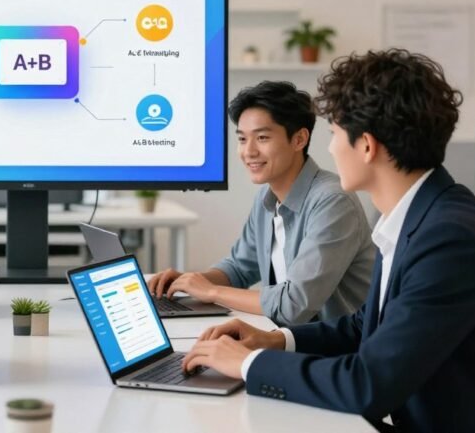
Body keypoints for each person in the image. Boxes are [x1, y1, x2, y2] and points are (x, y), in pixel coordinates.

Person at [183, 49, 475, 432]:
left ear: (367, 146)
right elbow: (364, 325)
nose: (330, 148)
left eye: (336, 134)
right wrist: (276, 342)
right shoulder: (421, 214)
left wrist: (246, 364)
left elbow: (367, 384)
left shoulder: (448, 237)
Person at [147, 81, 375, 325]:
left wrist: (211, 291)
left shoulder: (332, 201)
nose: (249, 151)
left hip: (336, 353)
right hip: (289, 340)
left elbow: (294, 305)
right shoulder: (267, 197)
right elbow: (239, 268)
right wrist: (190, 282)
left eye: (262, 138)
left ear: (299, 139)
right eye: (242, 139)